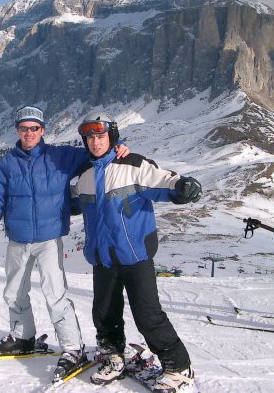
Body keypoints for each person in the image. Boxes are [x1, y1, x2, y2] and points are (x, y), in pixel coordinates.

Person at [0, 105, 129, 382]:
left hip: (48, 239)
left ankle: (72, 348)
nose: (29, 133)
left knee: (55, 294)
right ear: (17, 131)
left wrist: (119, 147)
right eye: (24, 128)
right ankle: (22, 337)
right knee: (13, 293)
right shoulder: (6, 165)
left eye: (34, 128)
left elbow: (96, 150)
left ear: (42, 130)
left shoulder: (59, 157)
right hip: (18, 240)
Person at [70, 111, 201, 392]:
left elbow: (164, 181)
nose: (95, 142)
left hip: (135, 255)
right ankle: (113, 356)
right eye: (90, 137)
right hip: (102, 258)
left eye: (100, 136)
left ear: (112, 136)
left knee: (147, 315)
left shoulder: (133, 164)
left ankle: (179, 367)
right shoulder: (84, 176)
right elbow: (69, 203)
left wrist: (182, 187)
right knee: (104, 313)